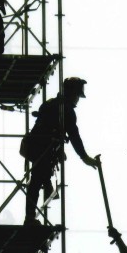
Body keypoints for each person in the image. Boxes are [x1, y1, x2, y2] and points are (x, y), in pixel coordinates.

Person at [21, 77, 98, 226]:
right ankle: (29, 218)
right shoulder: (65, 110)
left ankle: (30, 217)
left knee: (37, 180)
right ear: (71, 93)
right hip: (43, 149)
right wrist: (84, 157)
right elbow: (74, 136)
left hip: (35, 146)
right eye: (77, 95)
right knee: (36, 181)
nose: (77, 99)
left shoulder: (50, 103)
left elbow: (52, 129)